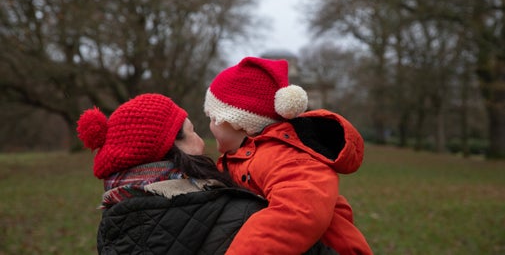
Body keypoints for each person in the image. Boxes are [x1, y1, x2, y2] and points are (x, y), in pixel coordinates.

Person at [76, 93, 337, 255]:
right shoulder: (247, 218)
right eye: (192, 131)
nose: (203, 142)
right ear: (173, 148)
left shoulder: (113, 223)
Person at [204, 57, 373, 255]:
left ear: (239, 124)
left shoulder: (288, 159)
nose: (209, 125)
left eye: (213, 118)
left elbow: (297, 213)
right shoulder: (242, 157)